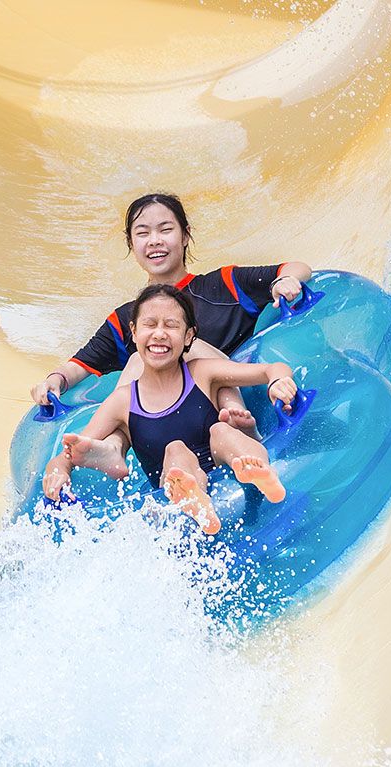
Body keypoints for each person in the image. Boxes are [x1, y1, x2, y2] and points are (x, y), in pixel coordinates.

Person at [29, 192, 312, 446]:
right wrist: (54, 381)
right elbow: (79, 366)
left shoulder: (224, 285)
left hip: (228, 404)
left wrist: (284, 281)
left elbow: (298, 267)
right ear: (131, 242)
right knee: (139, 361)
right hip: (169, 430)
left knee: (168, 355)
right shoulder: (129, 318)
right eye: (143, 233)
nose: (155, 241)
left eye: (165, 230)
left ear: (185, 235)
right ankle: (112, 447)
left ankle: (242, 433)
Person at [43, 284, 298, 536]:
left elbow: (271, 369)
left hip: (223, 463)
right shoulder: (123, 401)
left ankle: (262, 473)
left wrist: (277, 382)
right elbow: (69, 453)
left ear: (188, 336)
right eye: (150, 324)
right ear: (133, 332)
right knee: (175, 450)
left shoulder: (202, 372)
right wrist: (58, 470)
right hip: (175, 481)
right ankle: (196, 501)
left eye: (171, 325)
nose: (159, 334)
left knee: (222, 430)